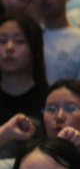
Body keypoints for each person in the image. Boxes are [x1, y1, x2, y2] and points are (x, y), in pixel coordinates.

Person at [0, 13, 49, 150]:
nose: (9, 48)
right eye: (2, 41)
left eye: (19, 41)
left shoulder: (49, 100)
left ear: (35, 50)